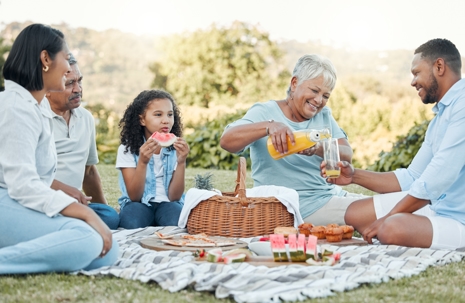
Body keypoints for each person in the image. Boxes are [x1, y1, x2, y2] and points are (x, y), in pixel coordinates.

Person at [0, 23, 118, 274]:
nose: (68, 68)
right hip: (7, 201)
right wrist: (84, 213)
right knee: (88, 238)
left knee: (107, 251)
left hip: (20, 202)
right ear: (45, 59)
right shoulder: (15, 106)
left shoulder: (36, 105)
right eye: (66, 58)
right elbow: (22, 184)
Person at [330, 38, 465, 250]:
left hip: (459, 219)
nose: (412, 82)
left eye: (416, 73)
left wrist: (390, 216)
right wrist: (354, 176)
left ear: (439, 66)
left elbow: (440, 174)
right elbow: (413, 177)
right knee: (355, 213)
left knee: (391, 228)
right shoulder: (441, 116)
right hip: (438, 207)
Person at [220, 54, 366, 226]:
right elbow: (227, 141)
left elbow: (347, 154)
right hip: (297, 206)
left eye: (326, 96)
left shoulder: (324, 115)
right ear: (294, 83)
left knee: (392, 205)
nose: (319, 100)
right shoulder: (265, 112)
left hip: (330, 195)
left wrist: (319, 147)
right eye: (314, 91)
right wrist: (269, 126)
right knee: (384, 211)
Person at [44, 53, 120, 229]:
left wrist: (104, 208)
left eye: (79, 81)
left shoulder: (85, 118)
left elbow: (89, 172)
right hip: (44, 202)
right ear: (47, 89)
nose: (78, 89)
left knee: (109, 217)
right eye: (69, 83)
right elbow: (27, 177)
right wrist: (62, 190)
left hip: (75, 205)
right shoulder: (36, 118)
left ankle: (74, 224)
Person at [116, 90, 189, 228]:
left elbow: (175, 197)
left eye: (170, 114)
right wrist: (143, 162)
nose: (166, 120)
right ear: (142, 119)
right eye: (158, 115)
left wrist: (181, 162)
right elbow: (134, 196)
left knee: (177, 220)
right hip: (138, 204)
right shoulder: (127, 149)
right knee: (131, 221)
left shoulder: (175, 147)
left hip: (168, 204)